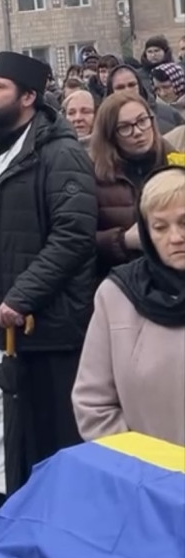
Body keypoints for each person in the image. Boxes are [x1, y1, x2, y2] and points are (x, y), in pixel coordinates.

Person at [0, 51, 98, 522]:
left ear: (29, 97)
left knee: (46, 435)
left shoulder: (60, 151)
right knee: (0, 421)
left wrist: (22, 295)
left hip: (42, 324)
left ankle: (55, 522)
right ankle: (6, 510)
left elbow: (73, 235)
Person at [72, 166, 185, 446]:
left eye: (184, 222)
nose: (175, 238)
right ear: (146, 232)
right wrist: (149, 469)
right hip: (147, 480)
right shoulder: (117, 296)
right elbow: (93, 405)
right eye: (160, 227)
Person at [90, 94, 172, 280]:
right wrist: (123, 241)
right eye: (125, 127)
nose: (137, 131)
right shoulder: (93, 176)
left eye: (142, 121)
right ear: (110, 134)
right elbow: (78, 240)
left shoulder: (175, 162)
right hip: (123, 283)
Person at [107, 63, 183, 134]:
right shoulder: (104, 121)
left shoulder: (169, 113)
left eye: (131, 85)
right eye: (120, 87)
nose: (127, 90)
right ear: (111, 91)